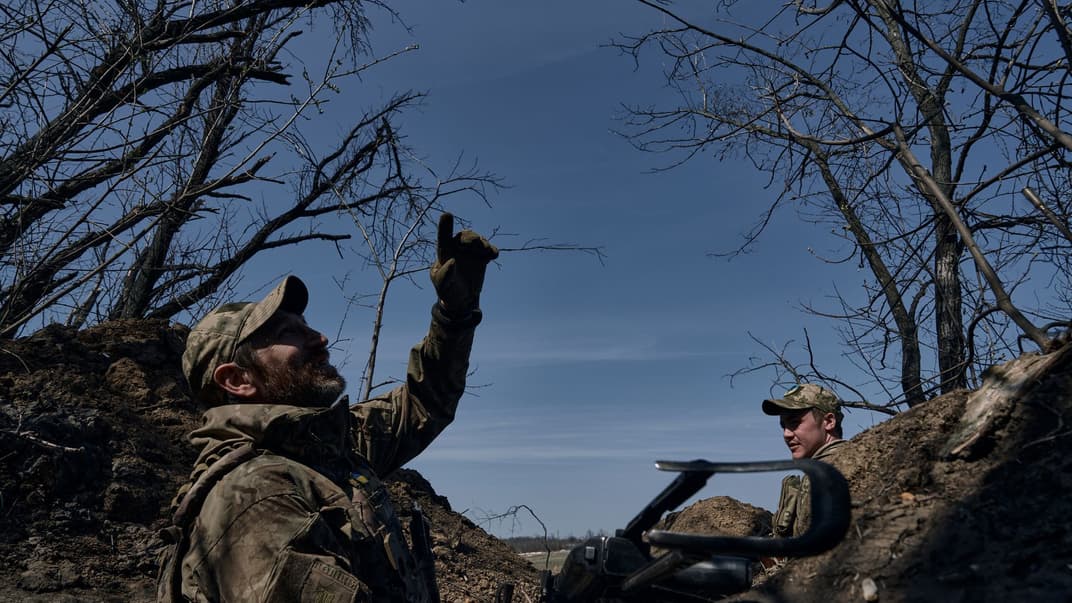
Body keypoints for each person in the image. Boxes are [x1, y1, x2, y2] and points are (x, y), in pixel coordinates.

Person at [157, 213, 498, 602]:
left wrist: (454, 315)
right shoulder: (256, 495)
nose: (320, 338)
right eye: (289, 333)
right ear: (237, 379)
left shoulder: (323, 449)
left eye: (306, 325)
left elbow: (424, 402)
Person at [762, 383, 847, 539]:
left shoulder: (832, 471)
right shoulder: (828, 466)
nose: (786, 434)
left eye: (795, 423)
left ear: (829, 422)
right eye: (783, 426)